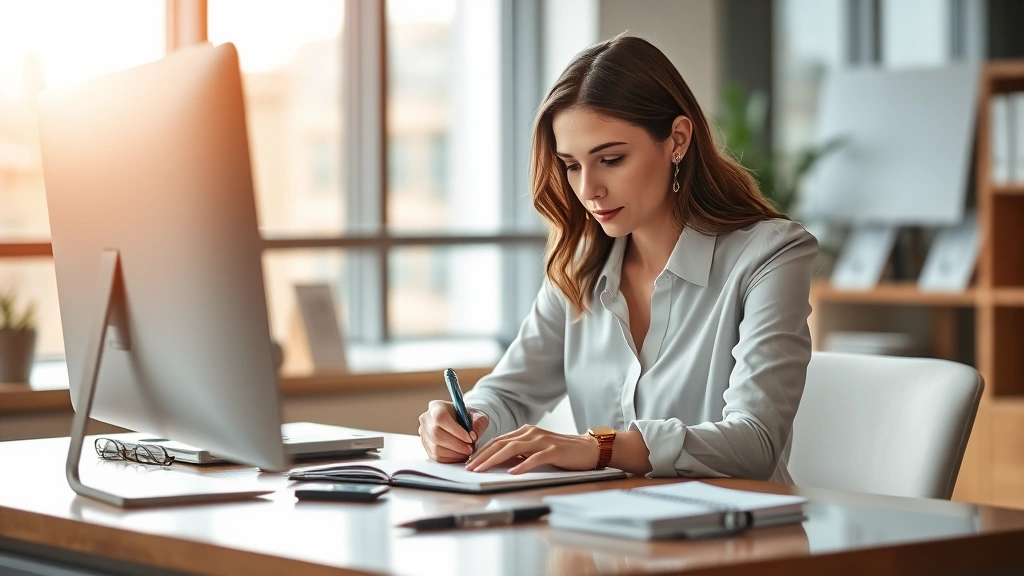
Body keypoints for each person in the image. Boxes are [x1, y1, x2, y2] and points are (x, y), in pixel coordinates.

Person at [417, 34, 817, 482]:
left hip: (741, 540)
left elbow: (754, 442)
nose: (588, 189)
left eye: (610, 159)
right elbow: (509, 393)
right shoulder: (579, 268)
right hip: (608, 538)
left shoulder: (771, 256)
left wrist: (598, 448)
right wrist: (464, 419)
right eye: (571, 165)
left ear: (677, 141)